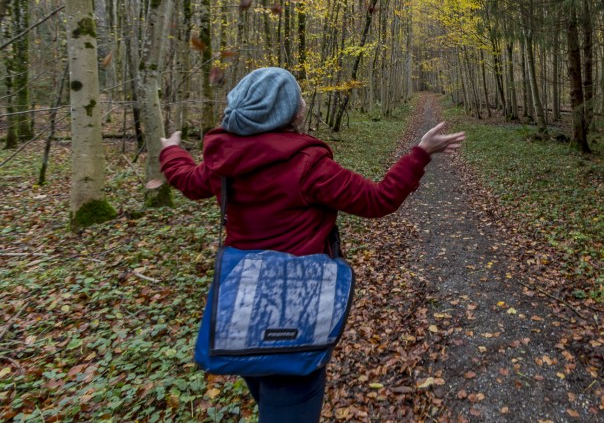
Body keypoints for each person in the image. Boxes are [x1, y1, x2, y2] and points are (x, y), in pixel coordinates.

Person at [158, 67, 465, 423]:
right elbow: (378, 200)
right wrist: (421, 153)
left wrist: (171, 152)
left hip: (242, 310)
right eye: (297, 97)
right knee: (288, 401)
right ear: (290, 113)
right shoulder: (307, 165)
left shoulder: (223, 162)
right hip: (296, 308)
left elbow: (187, 180)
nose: (303, 102)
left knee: (268, 392)